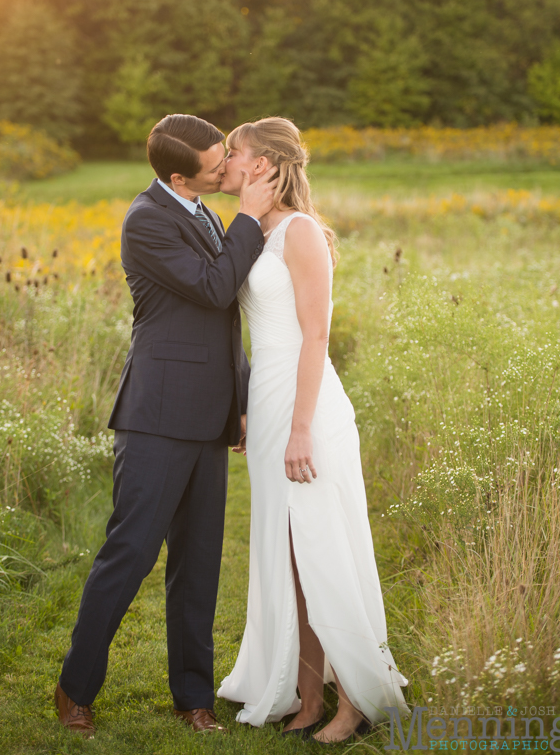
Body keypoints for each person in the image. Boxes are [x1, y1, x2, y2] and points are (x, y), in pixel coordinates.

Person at [54, 113, 276, 737]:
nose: (226, 167)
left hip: (208, 414)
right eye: (214, 164)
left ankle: (193, 698)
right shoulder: (147, 219)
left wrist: (238, 397)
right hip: (155, 416)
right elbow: (213, 287)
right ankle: (75, 688)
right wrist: (252, 221)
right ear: (179, 175)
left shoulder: (201, 208)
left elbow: (223, 321)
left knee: (200, 562)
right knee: (131, 554)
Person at [217, 117, 410, 743]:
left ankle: (355, 699)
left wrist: (301, 430)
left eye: (235, 153)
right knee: (286, 557)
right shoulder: (250, 231)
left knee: (320, 550)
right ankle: (306, 697)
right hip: (270, 403)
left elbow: (316, 337)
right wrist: (247, 408)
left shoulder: (300, 232)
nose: (225, 161)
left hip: (309, 406)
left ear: (266, 164)